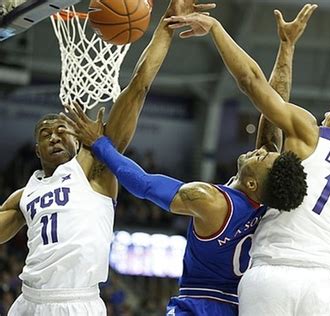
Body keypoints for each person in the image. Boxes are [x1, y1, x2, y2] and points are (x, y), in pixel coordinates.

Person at [60, 6, 313, 316]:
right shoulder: (267, 199)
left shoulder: (210, 200)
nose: (262, 150)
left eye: (263, 157)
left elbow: (144, 184)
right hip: (240, 307)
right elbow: (275, 107)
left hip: (199, 306)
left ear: (251, 183)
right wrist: (286, 47)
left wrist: (98, 143)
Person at [165, 10, 330, 315]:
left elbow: (251, 81)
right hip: (321, 284)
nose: (327, 114)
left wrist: (217, 28)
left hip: (271, 275)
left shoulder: (309, 133)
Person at [0, 0, 215, 314]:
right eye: (45, 134)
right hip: (27, 302)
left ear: (80, 137)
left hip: (76, 304)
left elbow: (139, 86)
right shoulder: (23, 195)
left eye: (62, 129)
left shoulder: (96, 167)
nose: (54, 136)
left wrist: (165, 29)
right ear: (36, 149)